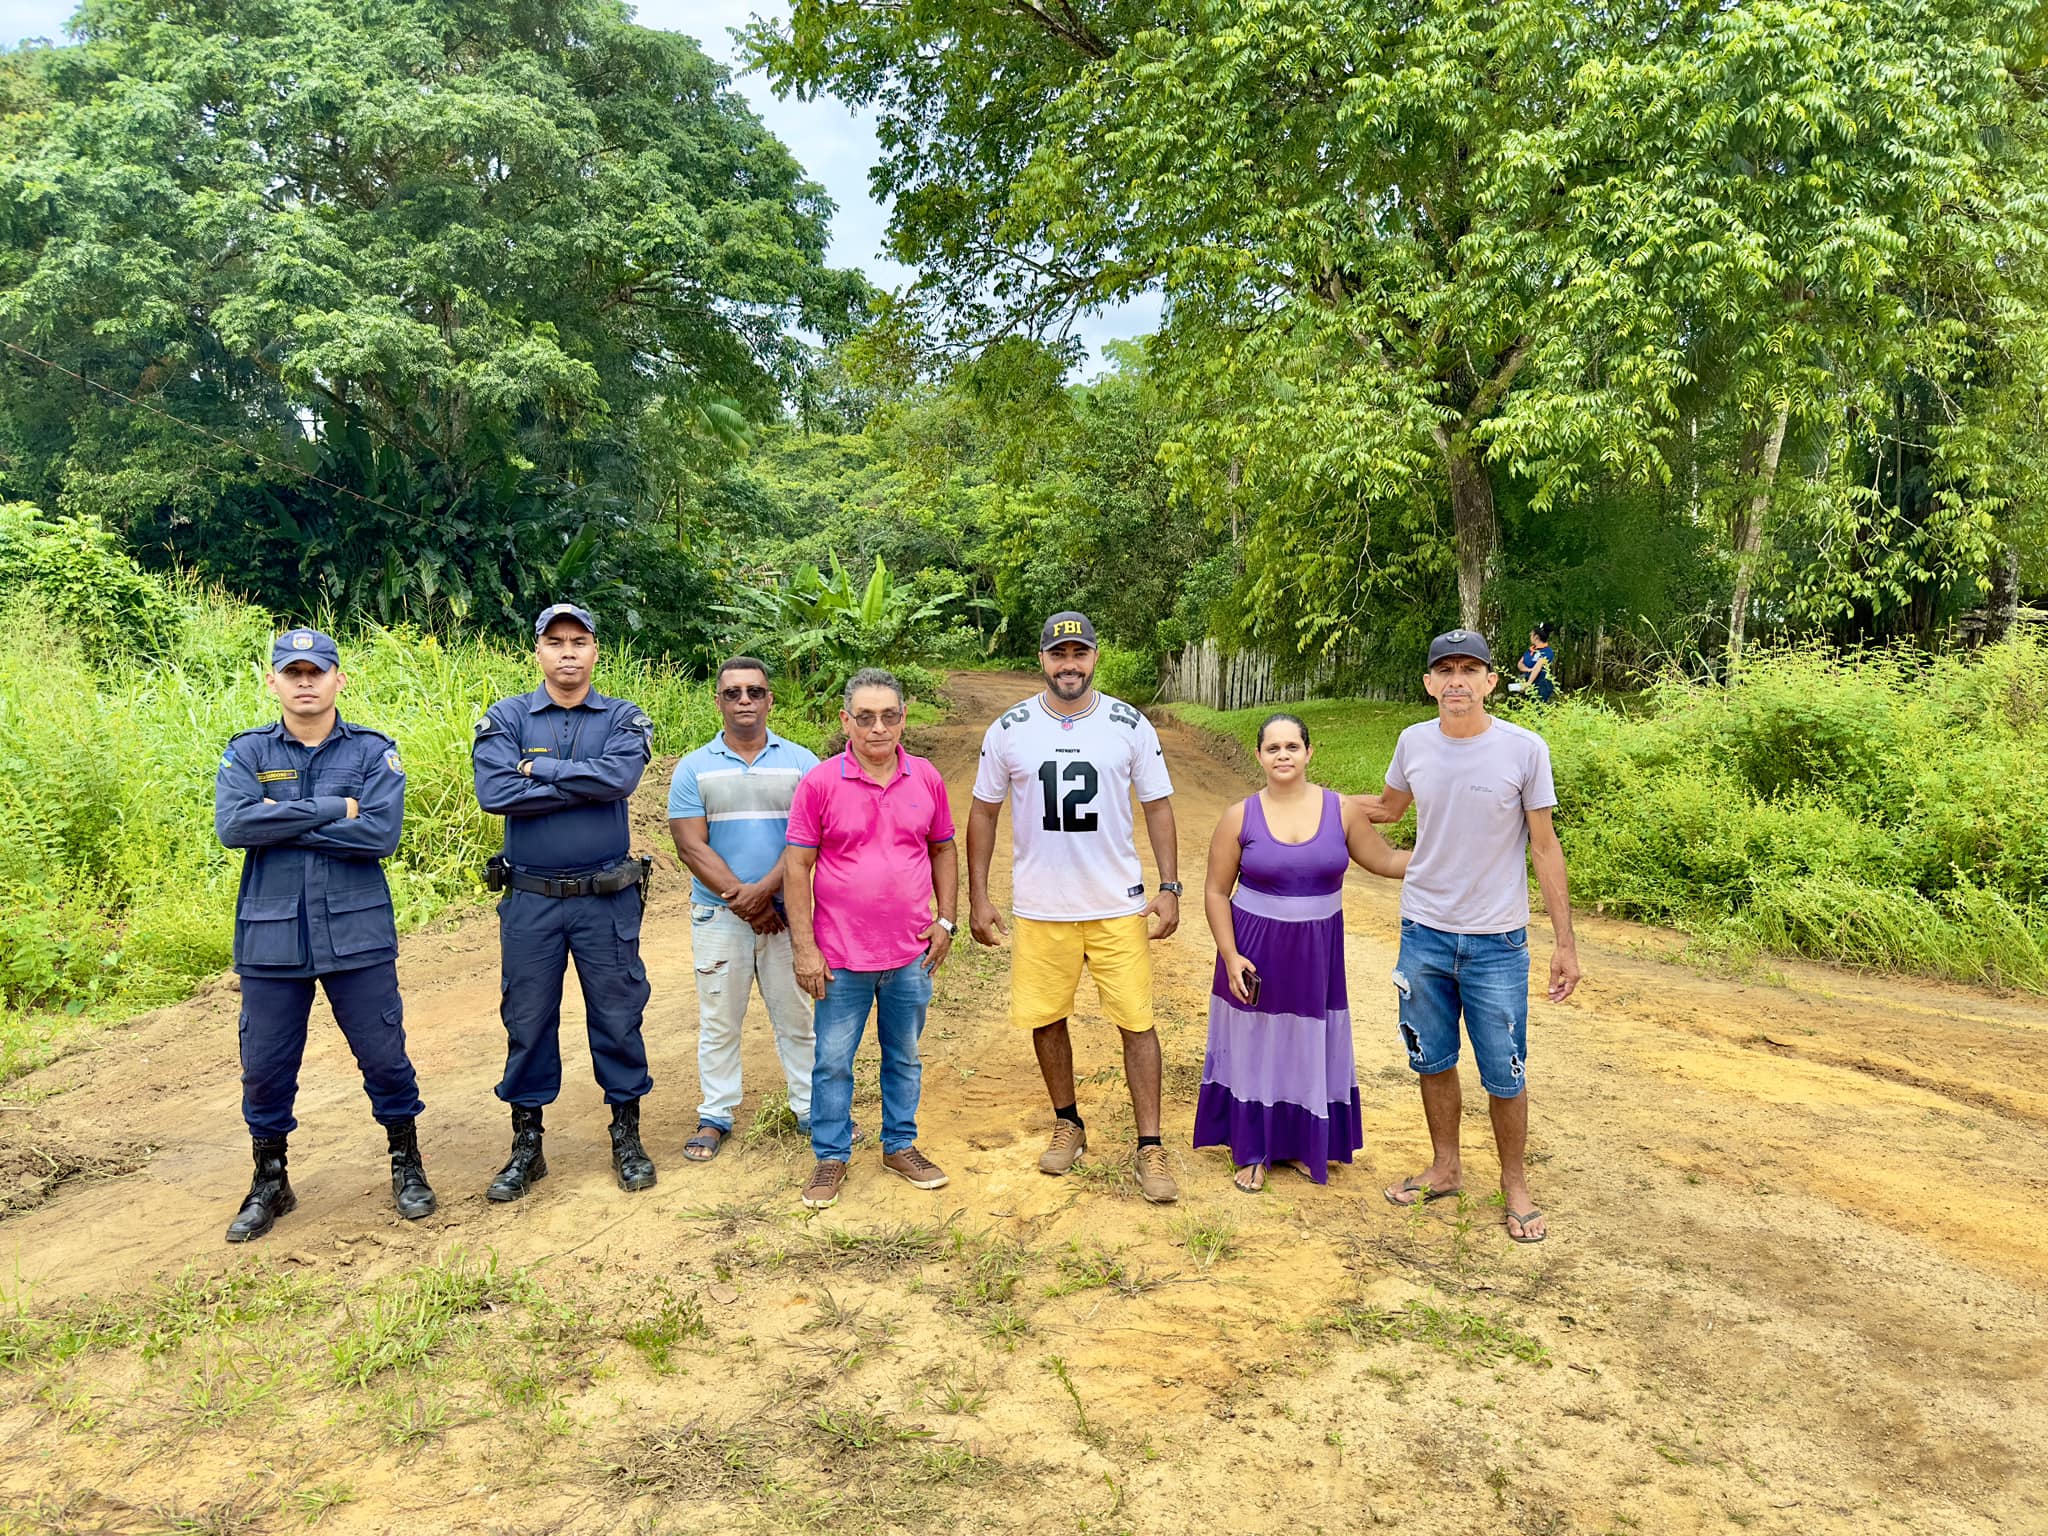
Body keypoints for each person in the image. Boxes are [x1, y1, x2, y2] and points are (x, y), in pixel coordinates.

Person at [213, 628, 433, 1242]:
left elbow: (381, 836)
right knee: (264, 1066)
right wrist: (335, 809)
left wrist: (276, 821)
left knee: (384, 1057)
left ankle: (406, 1163)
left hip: (355, 934)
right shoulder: (249, 752)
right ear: (273, 681)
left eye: (317, 671)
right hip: (271, 939)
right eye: (293, 672)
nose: (305, 682)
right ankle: (269, 1180)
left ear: (339, 677)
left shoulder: (371, 752)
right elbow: (233, 827)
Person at [1361, 628, 1580, 1243]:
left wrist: (1564, 943)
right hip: (1423, 932)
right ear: (1429, 683)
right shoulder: (1413, 743)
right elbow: (1387, 809)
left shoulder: (1524, 748)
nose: (1456, 680)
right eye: (1445, 670)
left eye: (1469, 670)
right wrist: (1301, 801)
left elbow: (1545, 846)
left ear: (1490, 681)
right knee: (1431, 1058)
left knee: (1505, 1070)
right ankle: (1446, 1167)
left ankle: (1515, 1184)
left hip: (1496, 941)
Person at [967, 612, 1183, 1204]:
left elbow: (1158, 805)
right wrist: (979, 895)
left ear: (1094, 657)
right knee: (1046, 1015)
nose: (1069, 664)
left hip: (1117, 903)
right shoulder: (1010, 728)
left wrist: (1170, 885)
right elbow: (983, 811)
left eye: (1079, 653)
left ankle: (1149, 1145)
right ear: (1042, 659)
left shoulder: (1127, 723)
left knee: (1136, 1020)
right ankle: (1069, 1121)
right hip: (1042, 906)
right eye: (1058, 654)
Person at [472, 603, 658, 1200]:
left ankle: (626, 1135)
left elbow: (619, 781)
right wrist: (578, 778)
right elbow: (495, 791)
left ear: (596, 650)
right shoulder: (505, 717)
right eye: (556, 642)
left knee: (618, 1015)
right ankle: (527, 1145)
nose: (568, 652)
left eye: (579, 641)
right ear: (539, 651)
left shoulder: (624, 717)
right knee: (527, 1020)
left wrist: (539, 772)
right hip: (530, 899)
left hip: (605, 898)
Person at [1195, 713, 1410, 1193]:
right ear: (1259, 756)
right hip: (1254, 949)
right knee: (1255, 1043)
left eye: (1292, 746)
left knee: (1307, 1041)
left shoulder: (1341, 811)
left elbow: (1386, 860)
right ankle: (1251, 1149)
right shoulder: (1239, 815)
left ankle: (1296, 1143)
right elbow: (1214, 891)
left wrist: (1448, 855)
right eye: (1273, 748)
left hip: (1316, 950)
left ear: (1309, 753)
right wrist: (1230, 955)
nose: (1283, 755)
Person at [783, 669, 958, 1210]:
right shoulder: (820, 783)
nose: (877, 728)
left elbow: (944, 848)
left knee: (903, 1055)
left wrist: (946, 921)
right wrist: (805, 948)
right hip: (840, 956)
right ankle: (831, 1155)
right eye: (865, 717)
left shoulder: (926, 778)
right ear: (846, 722)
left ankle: (899, 1145)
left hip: (909, 953)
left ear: (903, 718)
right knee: (833, 1060)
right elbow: (797, 866)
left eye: (888, 716)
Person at [668, 657, 821, 1162]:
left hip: (788, 916)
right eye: (733, 693)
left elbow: (810, 842)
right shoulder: (694, 767)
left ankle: (811, 1109)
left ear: (770, 699)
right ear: (718, 701)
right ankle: (716, 1114)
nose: (744, 701)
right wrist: (746, 901)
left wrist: (764, 895)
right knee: (719, 1020)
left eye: (754, 692)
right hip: (718, 917)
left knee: (798, 1018)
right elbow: (691, 846)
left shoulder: (803, 764)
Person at [1516, 623, 1557, 703]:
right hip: (1527, 682)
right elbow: (1520, 663)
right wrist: (1528, 669)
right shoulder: (1530, 650)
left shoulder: (1547, 652)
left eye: (1531, 634)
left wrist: (1529, 683)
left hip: (1541, 686)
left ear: (1536, 637)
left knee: (1538, 708)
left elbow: (1538, 667)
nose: (1530, 635)